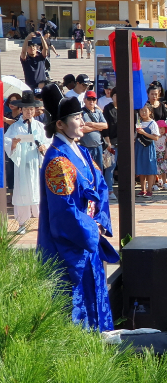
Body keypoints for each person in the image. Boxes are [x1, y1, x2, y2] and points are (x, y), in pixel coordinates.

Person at [37, 84, 120, 331]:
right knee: (74, 309)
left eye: (81, 116)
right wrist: (92, 229)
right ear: (60, 125)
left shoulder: (80, 151)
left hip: (88, 239)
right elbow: (63, 212)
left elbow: (101, 187)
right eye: (75, 117)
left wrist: (101, 222)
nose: (82, 121)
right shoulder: (58, 162)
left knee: (95, 302)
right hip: (70, 247)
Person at [4, 91, 50, 234]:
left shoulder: (40, 126)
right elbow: (6, 141)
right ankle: (22, 223)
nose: (29, 112)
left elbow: (48, 141)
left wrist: (44, 147)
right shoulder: (15, 127)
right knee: (22, 190)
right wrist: (14, 144)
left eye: (31, 109)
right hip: (22, 162)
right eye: (26, 109)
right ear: (21, 110)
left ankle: (42, 221)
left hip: (36, 161)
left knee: (38, 190)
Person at [135, 104, 159, 198]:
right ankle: (142, 189)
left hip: (148, 147)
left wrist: (144, 133)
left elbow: (156, 137)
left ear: (150, 112)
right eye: (141, 111)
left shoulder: (152, 123)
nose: (143, 113)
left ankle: (149, 190)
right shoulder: (138, 121)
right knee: (141, 168)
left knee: (149, 168)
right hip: (139, 146)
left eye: (146, 111)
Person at [79, 90, 108, 170]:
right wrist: (98, 127)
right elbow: (82, 129)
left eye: (93, 99)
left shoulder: (98, 112)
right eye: (89, 99)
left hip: (98, 146)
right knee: (88, 169)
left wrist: (92, 124)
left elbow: (105, 125)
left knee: (99, 170)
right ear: (84, 100)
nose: (91, 101)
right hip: (86, 147)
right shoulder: (81, 112)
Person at [101, 87, 118, 201]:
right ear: (112, 96)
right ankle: (110, 190)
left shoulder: (127, 107)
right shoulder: (108, 108)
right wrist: (108, 142)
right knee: (110, 166)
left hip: (125, 141)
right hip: (111, 141)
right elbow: (105, 127)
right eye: (116, 95)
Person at [155, 120, 167, 190]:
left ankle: (164, 183)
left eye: (163, 128)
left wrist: (166, 153)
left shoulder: (165, 137)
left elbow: (165, 146)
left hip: (162, 154)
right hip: (156, 154)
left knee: (164, 169)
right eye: (159, 128)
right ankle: (156, 182)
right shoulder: (155, 137)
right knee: (156, 169)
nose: (161, 130)